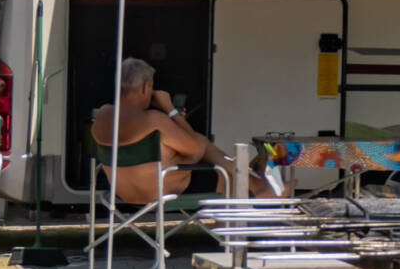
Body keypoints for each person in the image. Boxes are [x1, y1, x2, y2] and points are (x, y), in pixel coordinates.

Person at [89, 58, 273, 203]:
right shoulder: (154, 119)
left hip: (122, 193)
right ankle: (235, 226)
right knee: (223, 172)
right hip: (160, 193)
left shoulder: (103, 115)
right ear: (146, 87)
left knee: (192, 151)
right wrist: (171, 111)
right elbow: (194, 147)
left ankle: (257, 186)